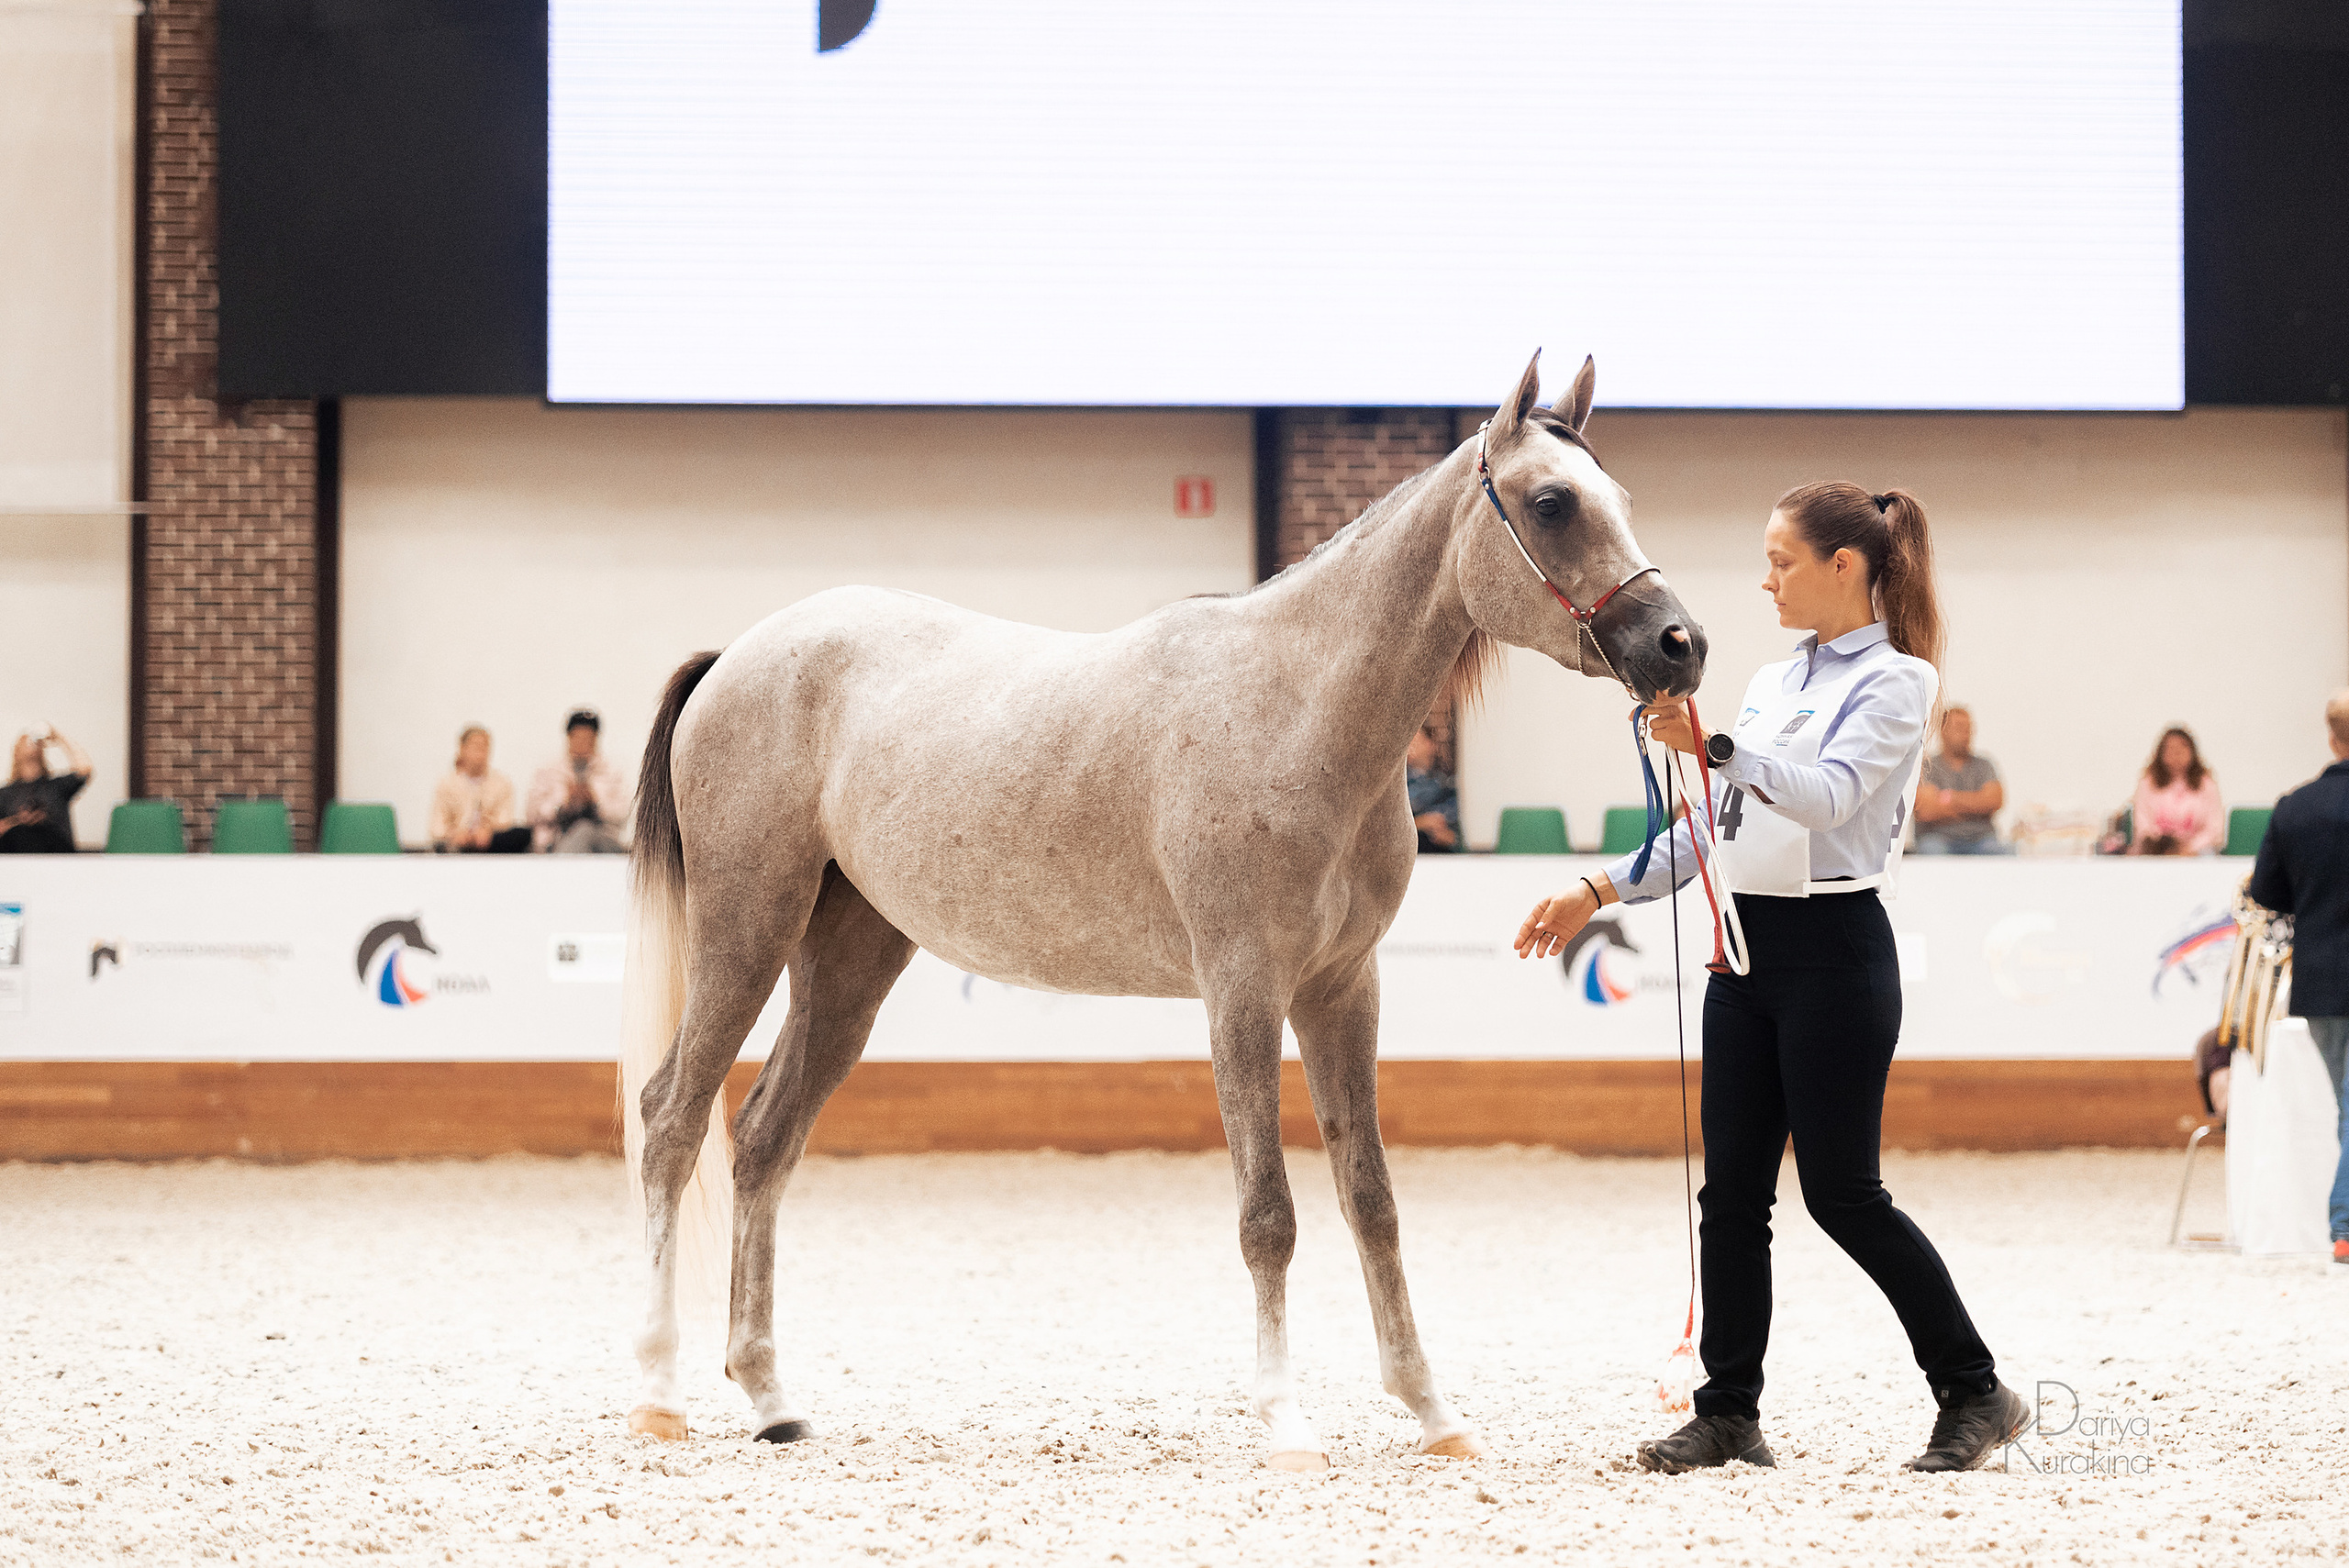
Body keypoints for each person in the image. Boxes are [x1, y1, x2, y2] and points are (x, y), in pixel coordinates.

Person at [1514, 483, 2022, 1474]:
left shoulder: (1899, 681)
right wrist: (1599, 884)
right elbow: (1711, 824)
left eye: (1781, 560)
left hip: (1835, 953)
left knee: (1844, 1193)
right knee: (1732, 1195)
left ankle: (1974, 1389)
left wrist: (1714, 745)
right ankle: (1727, 1411)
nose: (1765, 578)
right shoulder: (1771, 679)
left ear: (1844, 566)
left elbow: (1831, 800)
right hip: (1743, 958)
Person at [2245, 690, 2349, 1266]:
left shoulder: (2295, 807)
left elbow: (2266, 894)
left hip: (2322, 977)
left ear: (2332, 738)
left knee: (2346, 1099)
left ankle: (2343, 1220)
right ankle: (2345, 1222)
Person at [529, 709, 629, 853]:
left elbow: (623, 813)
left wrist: (594, 800)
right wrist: (564, 800)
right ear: (569, 738)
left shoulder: (612, 773)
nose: (583, 743)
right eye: (578, 737)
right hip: (554, 841)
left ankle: (563, 869)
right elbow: (532, 815)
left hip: (603, 841)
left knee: (584, 830)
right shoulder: (548, 772)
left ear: (596, 739)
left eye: (588, 738)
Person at [1910, 705, 2008, 854]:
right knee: (1931, 853)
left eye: (1968, 729)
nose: (1965, 734)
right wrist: (1975, 806)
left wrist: (1948, 799)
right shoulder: (1927, 766)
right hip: (1937, 839)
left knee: (2006, 852)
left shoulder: (1984, 765)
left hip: (1980, 840)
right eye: (1958, 728)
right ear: (1942, 731)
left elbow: (1994, 801)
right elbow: (1926, 810)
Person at [430, 727, 530, 853]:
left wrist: (487, 832)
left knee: (522, 834)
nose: (480, 753)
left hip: (490, 845)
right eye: (475, 747)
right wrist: (456, 834)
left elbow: (505, 820)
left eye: (484, 747)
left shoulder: (501, 783)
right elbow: (437, 826)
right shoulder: (447, 784)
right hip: (456, 847)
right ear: (462, 749)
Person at [2130, 727, 2223, 855]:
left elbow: (2215, 829)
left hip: (2197, 851)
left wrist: (2189, 848)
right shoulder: (2147, 783)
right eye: (2171, 749)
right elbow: (2143, 825)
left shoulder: (2206, 784)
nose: (2176, 754)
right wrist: (2166, 846)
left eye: (2182, 748)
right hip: (2158, 851)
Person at [0, 728, 93, 853]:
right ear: (16, 751)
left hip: (55, 855)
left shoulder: (57, 786)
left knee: (42, 830)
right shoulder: (5, 794)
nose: (31, 741)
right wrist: (17, 821)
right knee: (20, 833)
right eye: (24, 740)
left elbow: (85, 769)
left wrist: (59, 737)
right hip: (18, 857)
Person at [1407, 727, 1461, 852]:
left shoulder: (1446, 784)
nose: (1409, 748)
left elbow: (1457, 835)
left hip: (1441, 854)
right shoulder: (1399, 787)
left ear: (1430, 744)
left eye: (1415, 741)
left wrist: (1450, 838)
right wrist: (1420, 823)